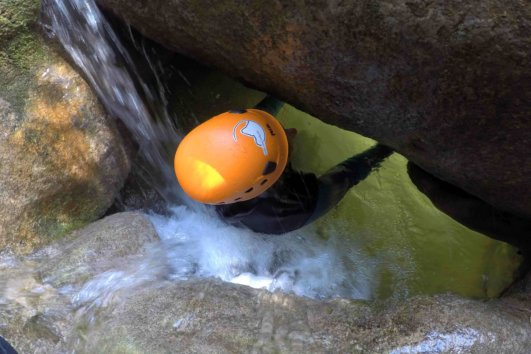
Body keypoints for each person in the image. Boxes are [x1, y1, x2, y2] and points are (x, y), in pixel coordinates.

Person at [174, 95, 393, 234]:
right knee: (346, 177)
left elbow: (253, 121)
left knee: (257, 124)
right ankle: (386, 149)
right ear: (269, 179)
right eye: (285, 143)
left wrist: (286, 90)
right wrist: (389, 146)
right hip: (291, 211)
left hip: (244, 180)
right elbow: (346, 174)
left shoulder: (199, 155)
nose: (292, 132)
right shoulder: (291, 209)